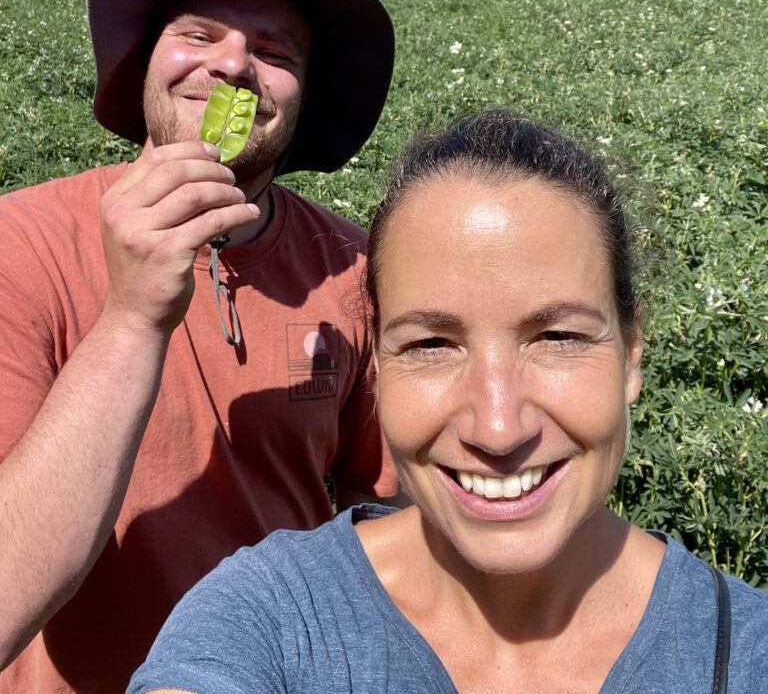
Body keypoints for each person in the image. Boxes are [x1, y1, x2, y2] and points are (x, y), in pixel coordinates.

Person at [128, 108, 768, 694]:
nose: (496, 426)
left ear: (632, 353)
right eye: (432, 344)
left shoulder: (744, 652)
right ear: (375, 363)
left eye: (559, 337)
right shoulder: (271, 621)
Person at [0, 0, 400, 694]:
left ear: (304, 98)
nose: (233, 64)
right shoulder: (20, 246)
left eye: (276, 53)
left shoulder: (356, 270)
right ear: (147, 58)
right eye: (197, 35)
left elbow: (384, 514)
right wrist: (131, 318)